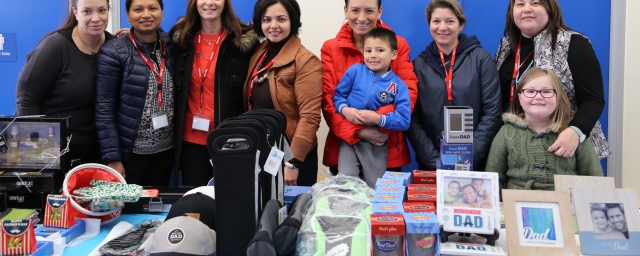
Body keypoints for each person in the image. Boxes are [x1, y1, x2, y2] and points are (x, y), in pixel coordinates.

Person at [495, 0, 609, 160]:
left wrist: (575, 131)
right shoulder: (506, 47)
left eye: (535, 3)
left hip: (564, 149)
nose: (527, 9)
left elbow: (593, 99)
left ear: (550, 9)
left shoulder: (574, 44)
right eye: (520, 4)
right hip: (517, 150)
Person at [321, 0, 418, 175]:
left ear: (380, 11)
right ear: (345, 10)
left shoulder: (399, 44)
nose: (362, 18)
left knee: (382, 200)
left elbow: (407, 94)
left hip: (386, 145)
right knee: (346, 198)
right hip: (344, 145)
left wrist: (377, 119)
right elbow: (329, 99)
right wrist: (357, 131)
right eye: (355, 10)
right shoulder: (331, 48)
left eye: (369, 11)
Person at [169, 0, 259, 186]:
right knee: (196, 204)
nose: (209, 3)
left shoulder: (243, 43)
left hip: (229, 140)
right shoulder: (181, 39)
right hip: (190, 142)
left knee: (229, 202)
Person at [16, 0, 115, 168]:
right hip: (55, 151)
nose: (96, 18)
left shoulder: (115, 46)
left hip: (99, 151)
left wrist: (133, 38)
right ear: (75, 12)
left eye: (101, 10)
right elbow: (26, 99)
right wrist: (37, 151)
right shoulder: (56, 46)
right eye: (87, 12)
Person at [408, 0, 502, 171]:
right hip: (431, 165)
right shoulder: (418, 65)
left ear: (461, 25)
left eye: (450, 21)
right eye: (436, 21)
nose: (442, 27)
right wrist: (433, 160)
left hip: (475, 163)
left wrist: (469, 155)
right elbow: (413, 119)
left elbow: (492, 112)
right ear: (429, 24)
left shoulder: (481, 59)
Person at [95, 0, 174, 186]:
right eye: (138, 9)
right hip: (131, 154)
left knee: (158, 206)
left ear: (162, 14)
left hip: (166, 151)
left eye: (153, 8)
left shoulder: (172, 46)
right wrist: (113, 158)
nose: (146, 14)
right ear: (128, 16)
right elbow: (104, 108)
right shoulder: (113, 52)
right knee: (130, 209)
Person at [244, 0, 322, 186]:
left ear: (292, 21)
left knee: (292, 213)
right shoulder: (259, 53)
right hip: (262, 150)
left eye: (281, 19)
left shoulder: (306, 61)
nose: (273, 26)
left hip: (292, 156)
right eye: (267, 19)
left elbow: (310, 117)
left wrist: (293, 162)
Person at [485, 68, 603, 191]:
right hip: (517, 205)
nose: (538, 96)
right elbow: (493, 180)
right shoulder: (506, 133)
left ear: (558, 97)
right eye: (530, 91)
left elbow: (594, 179)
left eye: (546, 91)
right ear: (520, 98)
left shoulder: (572, 135)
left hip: (566, 206)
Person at [333, 28, 410, 187]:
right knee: (346, 182)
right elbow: (338, 96)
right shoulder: (355, 71)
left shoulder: (398, 86)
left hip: (376, 142)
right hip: (350, 139)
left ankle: (371, 211)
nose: (373, 55)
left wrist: (378, 119)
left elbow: (404, 120)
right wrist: (345, 110)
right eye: (368, 50)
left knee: (374, 185)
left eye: (380, 50)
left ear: (394, 54)